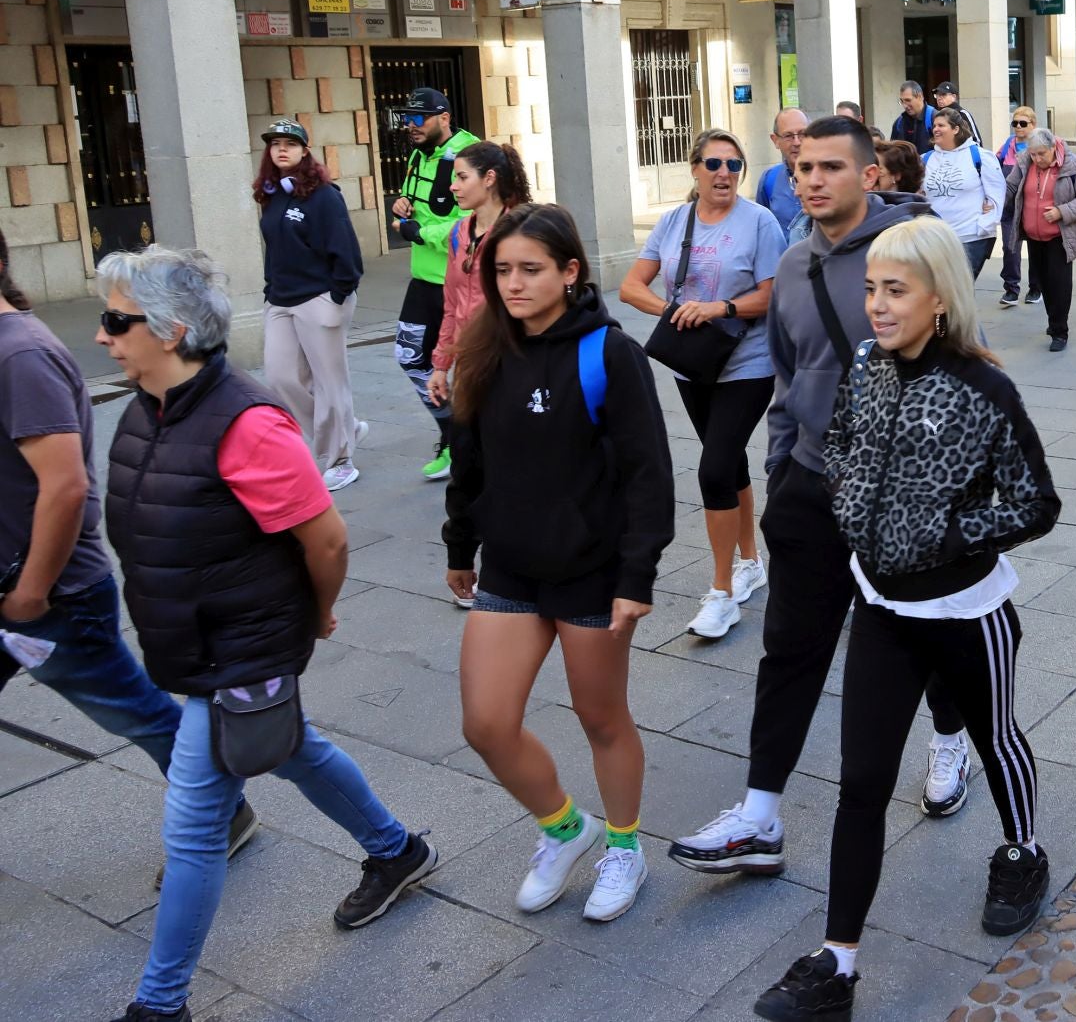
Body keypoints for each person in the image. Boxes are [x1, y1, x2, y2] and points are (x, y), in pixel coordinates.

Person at [96, 246, 436, 1022]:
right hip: (200, 644)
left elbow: (328, 540)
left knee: (192, 827)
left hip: (239, 649)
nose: (102, 336)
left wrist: (313, 619)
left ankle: (160, 1003)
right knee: (289, 746)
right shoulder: (145, 407)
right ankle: (397, 850)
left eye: (116, 320)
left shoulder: (246, 422)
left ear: (170, 329)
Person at [753, 216, 1060, 1022]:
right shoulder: (866, 362)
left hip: (967, 610)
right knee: (861, 782)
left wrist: (949, 533)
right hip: (883, 605)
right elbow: (844, 439)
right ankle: (838, 963)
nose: (877, 306)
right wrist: (855, 510)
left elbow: (1038, 502)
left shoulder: (986, 389)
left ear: (939, 298)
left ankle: (1023, 852)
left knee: (995, 738)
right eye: (871, 290)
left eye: (895, 291)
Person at [669, 117, 974, 882]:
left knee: (921, 634)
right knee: (789, 649)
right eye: (804, 166)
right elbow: (788, 371)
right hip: (808, 485)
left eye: (832, 166)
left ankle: (948, 738)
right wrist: (780, 476)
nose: (812, 179)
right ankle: (760, 814)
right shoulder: (795, 259)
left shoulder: (911, 253)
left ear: (869, 176)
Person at [0, 230, 262, 892]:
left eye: (116, 321)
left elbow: (65, 487)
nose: (103, 336)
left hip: (45, 592)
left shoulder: (20, 357)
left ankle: (224, 808)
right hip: (23, 583)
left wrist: (32, 593)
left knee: (143, 712)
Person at [445, 203, 673, 925]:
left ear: (570, 272)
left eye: (530, 270)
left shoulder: (607, 352)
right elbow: (468, 463)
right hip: (510, 570)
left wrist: (637, 576)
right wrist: (459, 545)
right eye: (503, 270)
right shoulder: (485, 350)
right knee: (486, 722)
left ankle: (626, 847)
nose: (513, 283)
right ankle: (563, 827)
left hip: (592, 574)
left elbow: (649, 473)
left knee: (601, 717)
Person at [622, 130, 787, 637]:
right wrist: (673, 311)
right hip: (691, 362)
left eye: (734, 165)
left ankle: (720, 593)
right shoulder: (674, 221)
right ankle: (750, 560)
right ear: (694, 168)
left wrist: (720, 307)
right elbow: (631, 287)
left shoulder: (759, 221)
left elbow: (774, 293)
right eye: (713, 163)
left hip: (748, 361)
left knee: (714, 468)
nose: (724, 173)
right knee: (729, 459)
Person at [254, 118, 365, 492]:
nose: (281, 149)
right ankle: (343, 430)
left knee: (329, 381)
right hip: (281, 299)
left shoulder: (323, 195)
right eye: (275, 144)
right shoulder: (273, 193)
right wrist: (271, 288)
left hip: (320, 297)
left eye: (290, 143)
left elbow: (346, 251)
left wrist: (338, 294)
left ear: (304, 151)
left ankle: (340, 458)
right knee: (281, 375)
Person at [388, 87, 477, 482]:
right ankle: (451, 434)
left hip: (463, 284)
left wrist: (418, 231)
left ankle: (478, 444)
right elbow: (414, 201)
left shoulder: (469, 156)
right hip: (423, 281)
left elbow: (469, 223)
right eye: (407, 118)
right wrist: (401, 205)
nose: (411, 125)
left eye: (418, 118)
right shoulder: (415, 155)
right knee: (410, 357)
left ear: (443, 117)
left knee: (474, 369)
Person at [427, 142, 536, 441]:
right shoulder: (458, 233)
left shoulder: (522, 228)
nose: (452, 187)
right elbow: (451, 304)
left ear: (489, 178)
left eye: (462, 178)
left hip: (512, 359)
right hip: (469, 362)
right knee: (472, 450)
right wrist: (441, 365)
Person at [1005, 128, 1076, 351]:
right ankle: (1053, 321)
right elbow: (1010, 187)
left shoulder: (1072, 165)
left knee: (1059, 283)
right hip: (1034, 235)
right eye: (1033, 154)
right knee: (1044, 283)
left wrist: (1061, 211)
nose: (1037, 159)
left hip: (1060, 236)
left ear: (1053, 148)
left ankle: (1060, 330)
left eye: (1041, 154)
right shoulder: (1025, 162)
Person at [920, 106, 1003, 277]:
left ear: (956, 129)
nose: (936, 129)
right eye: (934, 125)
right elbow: (918, 195)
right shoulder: (925, 159)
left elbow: (997, 196)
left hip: (970, 238)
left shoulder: (981, 157)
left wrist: (984, 226)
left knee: (959, 291)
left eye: (941, 125)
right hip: (935, 239)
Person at [995, 107, 1040, 308]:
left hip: (1032, 205)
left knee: (1036, 248)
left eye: (1023, 123)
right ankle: (1011, 289)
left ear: (1033, 125)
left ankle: (1036, 288)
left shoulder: (1039, 146)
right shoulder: (1007, 146)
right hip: (1009, 205)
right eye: (1015, 123)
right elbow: (995, 168)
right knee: (1009, 246)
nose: (1018, 127)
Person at [756, 108, 811, 238]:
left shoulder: (828, 178)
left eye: (802, 134)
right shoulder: (769, 180)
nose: (797, 142)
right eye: (788, 136)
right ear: (775, 140)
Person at [932, 81, 983, 148]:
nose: (939, 98)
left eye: (943, 94)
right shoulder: (937, 115)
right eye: (937, 95)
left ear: (954, 97)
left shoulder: (963, 114)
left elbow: (977, 141)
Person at [890, 82, 936, 155]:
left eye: (908, 100)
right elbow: (892, 153)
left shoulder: (935, 118)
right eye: (902, 101)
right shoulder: (899, 123)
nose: (905, 105)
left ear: (920, 97)